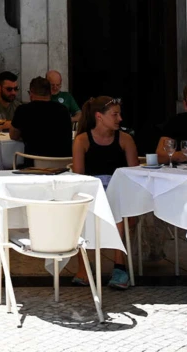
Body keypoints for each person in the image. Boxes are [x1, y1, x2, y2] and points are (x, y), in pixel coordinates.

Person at [71, 95, 138, 289]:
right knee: (76, 210)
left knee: (119, 208)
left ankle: (120, 266)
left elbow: (133, 175)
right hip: (92, 190)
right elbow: (79, 176)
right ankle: (84, 266)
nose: (120, 119)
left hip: (118, 190)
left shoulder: (125, 139)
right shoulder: (82, 140)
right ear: (99, 116)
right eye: (115, 115)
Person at [9, 76, 72, 162]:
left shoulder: (23, 110)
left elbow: (13, 135)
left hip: (34, 166)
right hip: (62, 165)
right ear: (50, 93)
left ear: (31, 94)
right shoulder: (63, 110)